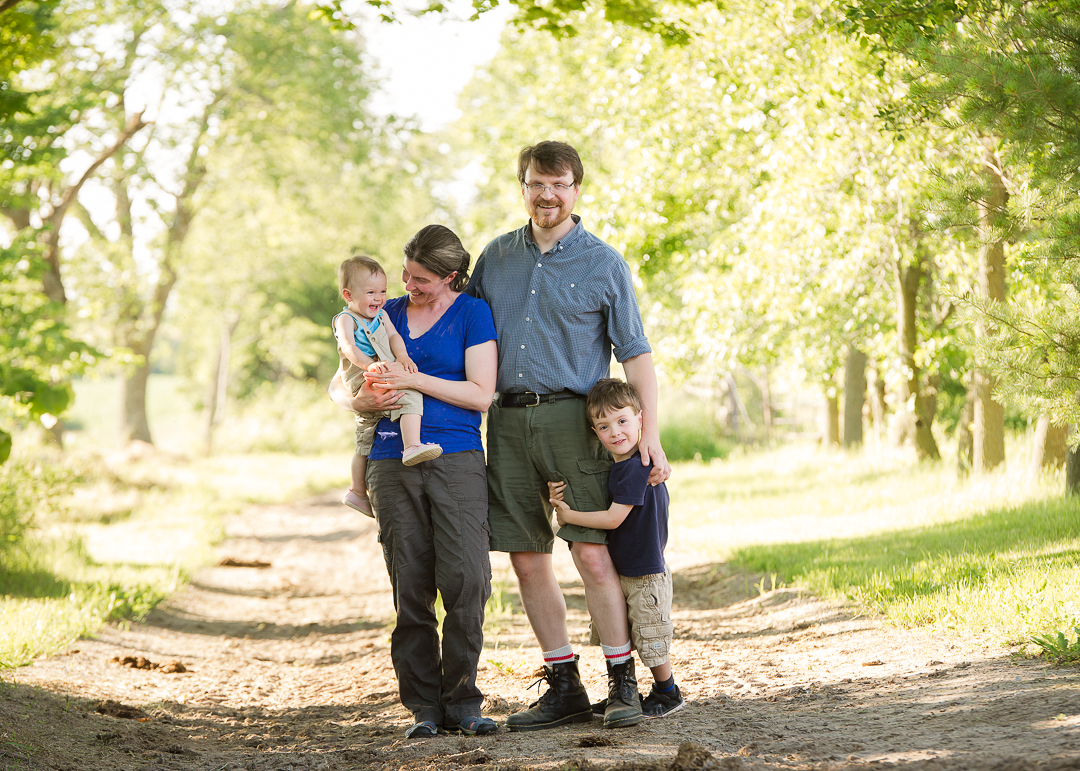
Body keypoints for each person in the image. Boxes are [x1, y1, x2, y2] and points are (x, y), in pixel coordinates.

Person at [467, 140, 671, 732]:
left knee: (591, 553)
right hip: (505, 420)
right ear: (524, 187)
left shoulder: (604, 262)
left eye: (558, 184)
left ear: (577, 189)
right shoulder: (496, 258)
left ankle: (622, 682)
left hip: (573, 420)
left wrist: (649, 433)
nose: (547, 194)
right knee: (527, 558)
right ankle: (563, 686)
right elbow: (467, 337)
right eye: (536, 183)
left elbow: (635, 355)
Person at [328, 225, 498, 739]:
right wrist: (356, 402)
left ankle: (463, 700)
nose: (407, 284)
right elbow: (340, 383)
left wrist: (412, 379)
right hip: (388, 459)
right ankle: (424, 706)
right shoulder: (386, 312)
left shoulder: (472, 314)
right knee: (411, 585)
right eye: (405, 273)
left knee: (468, 579)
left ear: (450, 277)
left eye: (420, 278)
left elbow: (481, 395)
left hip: (457, 457)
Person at [548, 378, 683, 725]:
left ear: (640, 418)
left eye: (622, 421)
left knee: (650, 634)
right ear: (595, 432)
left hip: (645, 569)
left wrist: (569, 516)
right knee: (634, 629)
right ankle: (632, 692)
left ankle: (668, 691)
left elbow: (612, 518)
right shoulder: (622, 466)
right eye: (604, 426)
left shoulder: (638, 466)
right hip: (628, 566)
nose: (615, 431)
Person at [333, 255, 442, 518]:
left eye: (382, 291)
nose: (378, 298)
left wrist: (403, 357)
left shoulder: (381, 315)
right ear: (348, 295)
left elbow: (393, 336)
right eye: (370, 293)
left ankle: (357, 492)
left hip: (380, 370)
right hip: (362, 374)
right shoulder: (346, 319)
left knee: (365, 436)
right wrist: (368, 366)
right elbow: (347, 348)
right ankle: (412, 444)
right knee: (411, 393)